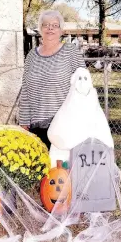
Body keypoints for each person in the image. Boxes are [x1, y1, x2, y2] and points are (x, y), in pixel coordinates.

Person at [19, 10, 87, 149]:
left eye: (55, 25)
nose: (50, 28)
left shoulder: (70, 51)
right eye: (46, 25)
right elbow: (25, 90)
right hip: (35, 126)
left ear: (61, 30)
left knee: (62, 169)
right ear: (40, 29)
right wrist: (24, 121)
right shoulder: (31, 55)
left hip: (63, 126)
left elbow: (84, 86)